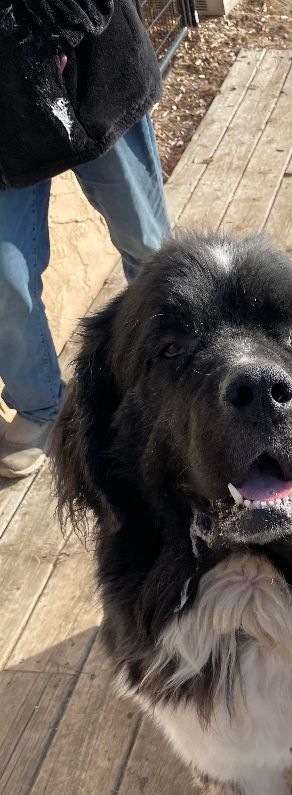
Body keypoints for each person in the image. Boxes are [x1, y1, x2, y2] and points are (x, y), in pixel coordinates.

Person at [0, 0, 170, 478]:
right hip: (6, 118)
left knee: (148, 246)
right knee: (4, 279)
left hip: (97, 73)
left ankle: (167, 376)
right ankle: (39, 406)